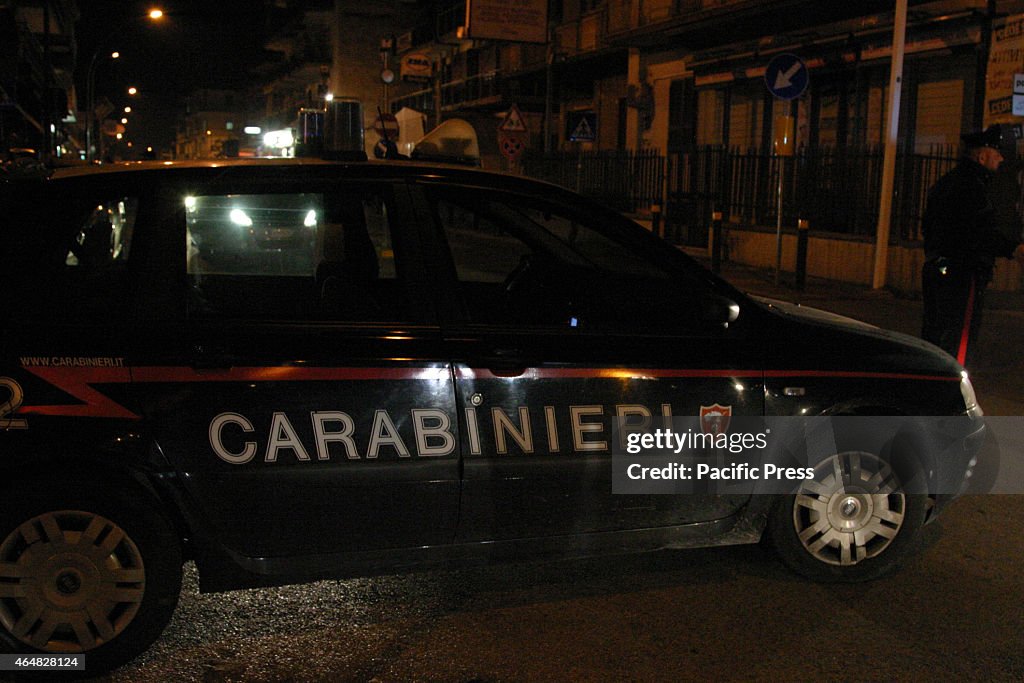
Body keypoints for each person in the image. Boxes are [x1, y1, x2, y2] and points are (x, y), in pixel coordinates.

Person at [921, 125, 1024, 368]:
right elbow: (980, 233)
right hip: (962, 273)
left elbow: (930, 226)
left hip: (937, 268)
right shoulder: (972, 187)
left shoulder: (947, 183)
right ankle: (952, 392)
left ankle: (929, 384)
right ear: (982, 155)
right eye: (997, 152)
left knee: (934, 335)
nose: (1001, 159)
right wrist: (1014, 248)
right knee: (959, 340)